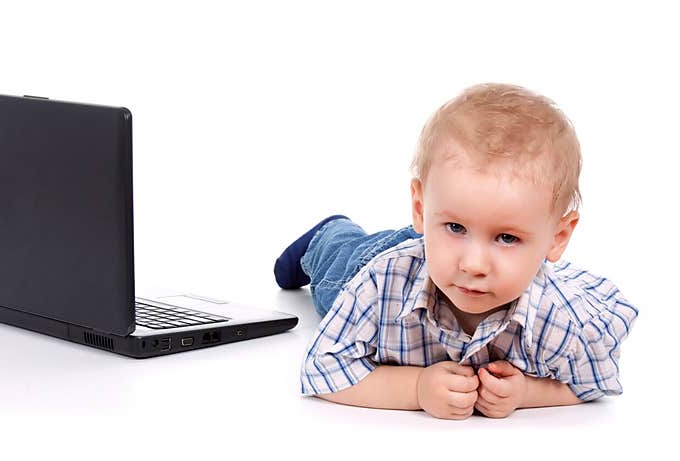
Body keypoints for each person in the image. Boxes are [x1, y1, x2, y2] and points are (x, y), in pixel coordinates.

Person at [273, 83, 638, 420]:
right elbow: (322, 369)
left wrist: (527, 392)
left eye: (507, 238)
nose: (474, 264)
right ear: (420, 208)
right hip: (378, 260)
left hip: (435, 250)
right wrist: (416, 390)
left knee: (458, 244)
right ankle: (329, 234)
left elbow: (596, 380)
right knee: (335, 269)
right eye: (456, 227)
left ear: (557, 237)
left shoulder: (560, 317)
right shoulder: (378, 284)